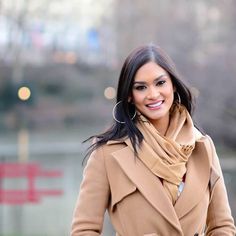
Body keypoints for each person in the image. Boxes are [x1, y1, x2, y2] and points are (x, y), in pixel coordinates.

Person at [71, 44, 236, 236]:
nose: (153, 94)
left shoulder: (202, 147)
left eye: (160, 83)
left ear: (173, 85)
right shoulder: (107, 154)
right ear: (130, 96)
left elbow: (222, 227)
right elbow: (84, 230)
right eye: (141, 87)